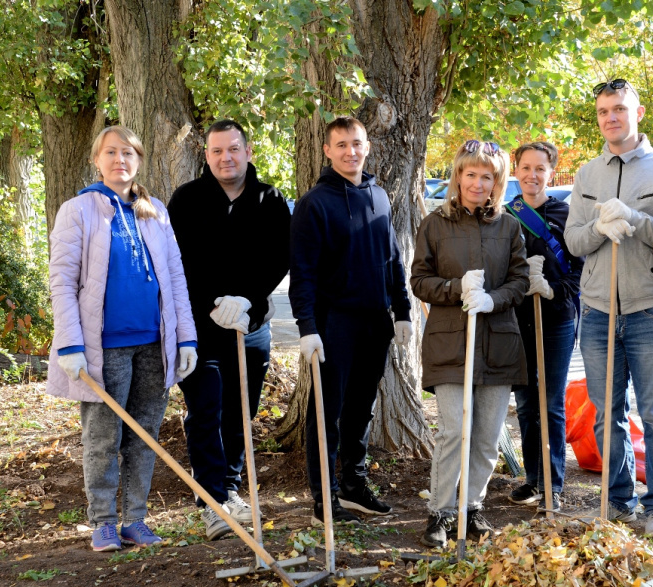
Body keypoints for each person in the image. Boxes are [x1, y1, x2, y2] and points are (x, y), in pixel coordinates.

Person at [46, 126, 198, 552]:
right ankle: (103, 522)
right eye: (111, 152)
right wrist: (70, 345)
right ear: (97, 160)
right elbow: (61, 282)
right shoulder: (78, 210)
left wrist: (186, 338)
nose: (120, 160)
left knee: (145, 435)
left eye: (128, 152)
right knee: (103, 437)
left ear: (139, 160)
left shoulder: (155, 211)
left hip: (154, 342)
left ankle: (134, 519)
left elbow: (175, 279)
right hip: (103, 346)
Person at [564, 79, 653, 538]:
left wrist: (633, 221)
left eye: (618, 109)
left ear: (639, 112)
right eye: (602, 111)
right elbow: (575, 242)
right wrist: (601, 227)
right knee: (605, 412)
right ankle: (618, 500)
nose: (610, 117)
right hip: (597, 311)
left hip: (650, 307)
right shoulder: (587, 174)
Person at [168, 120, 291, 540]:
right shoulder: (186, 200)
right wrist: (213, 304)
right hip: (201, 327)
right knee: (207, 408)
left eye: (234, 149)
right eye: (218, 151)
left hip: (250, 326)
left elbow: (279, 258)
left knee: (241, 410)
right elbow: (178, 262)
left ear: (248, 150)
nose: (226, 158)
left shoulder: (270, 200)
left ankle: (231, 488)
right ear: (207, 156)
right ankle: (211, 499)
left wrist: (248, 300)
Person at [289, 117, 413, 525]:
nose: (350, 152)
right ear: (327, 150)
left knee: (362, 407)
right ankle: (324, 499)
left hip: (375, 322)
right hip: (333, 324)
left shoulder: (379, 195)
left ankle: (355, 485)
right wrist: (307, 327)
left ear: (367, 146)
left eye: (356, 144)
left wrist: (403, 311)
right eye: (341, 145)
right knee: (327, 412)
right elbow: (302, 273)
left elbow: (392, 257)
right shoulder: (315, 203)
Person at [411, 139, 529, 549]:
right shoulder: (435, 225)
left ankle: (471, 506)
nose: (478, 183)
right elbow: (419, 281)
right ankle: (440, 512)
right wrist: (455, 287)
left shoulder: (509, 226)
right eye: (471, 174)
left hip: (498, 344)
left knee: (485, 435)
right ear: (458, 176)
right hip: (450, 345)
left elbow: (520, 280)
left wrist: (493, 298)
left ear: (497, 182)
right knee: (454, 432)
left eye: (488, 176)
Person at [505, 142, 583, 512]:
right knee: (524, 404)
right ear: (515, 170)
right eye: (526, 168)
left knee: (550, 402)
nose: (532, 175)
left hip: (556, 319)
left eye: (540, 168)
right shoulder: (506, 215)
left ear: (551, 172)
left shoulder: (566, 214)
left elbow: (580, 270)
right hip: (517, 320)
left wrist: (553, 289)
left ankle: (553, 483)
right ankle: (533, 479)